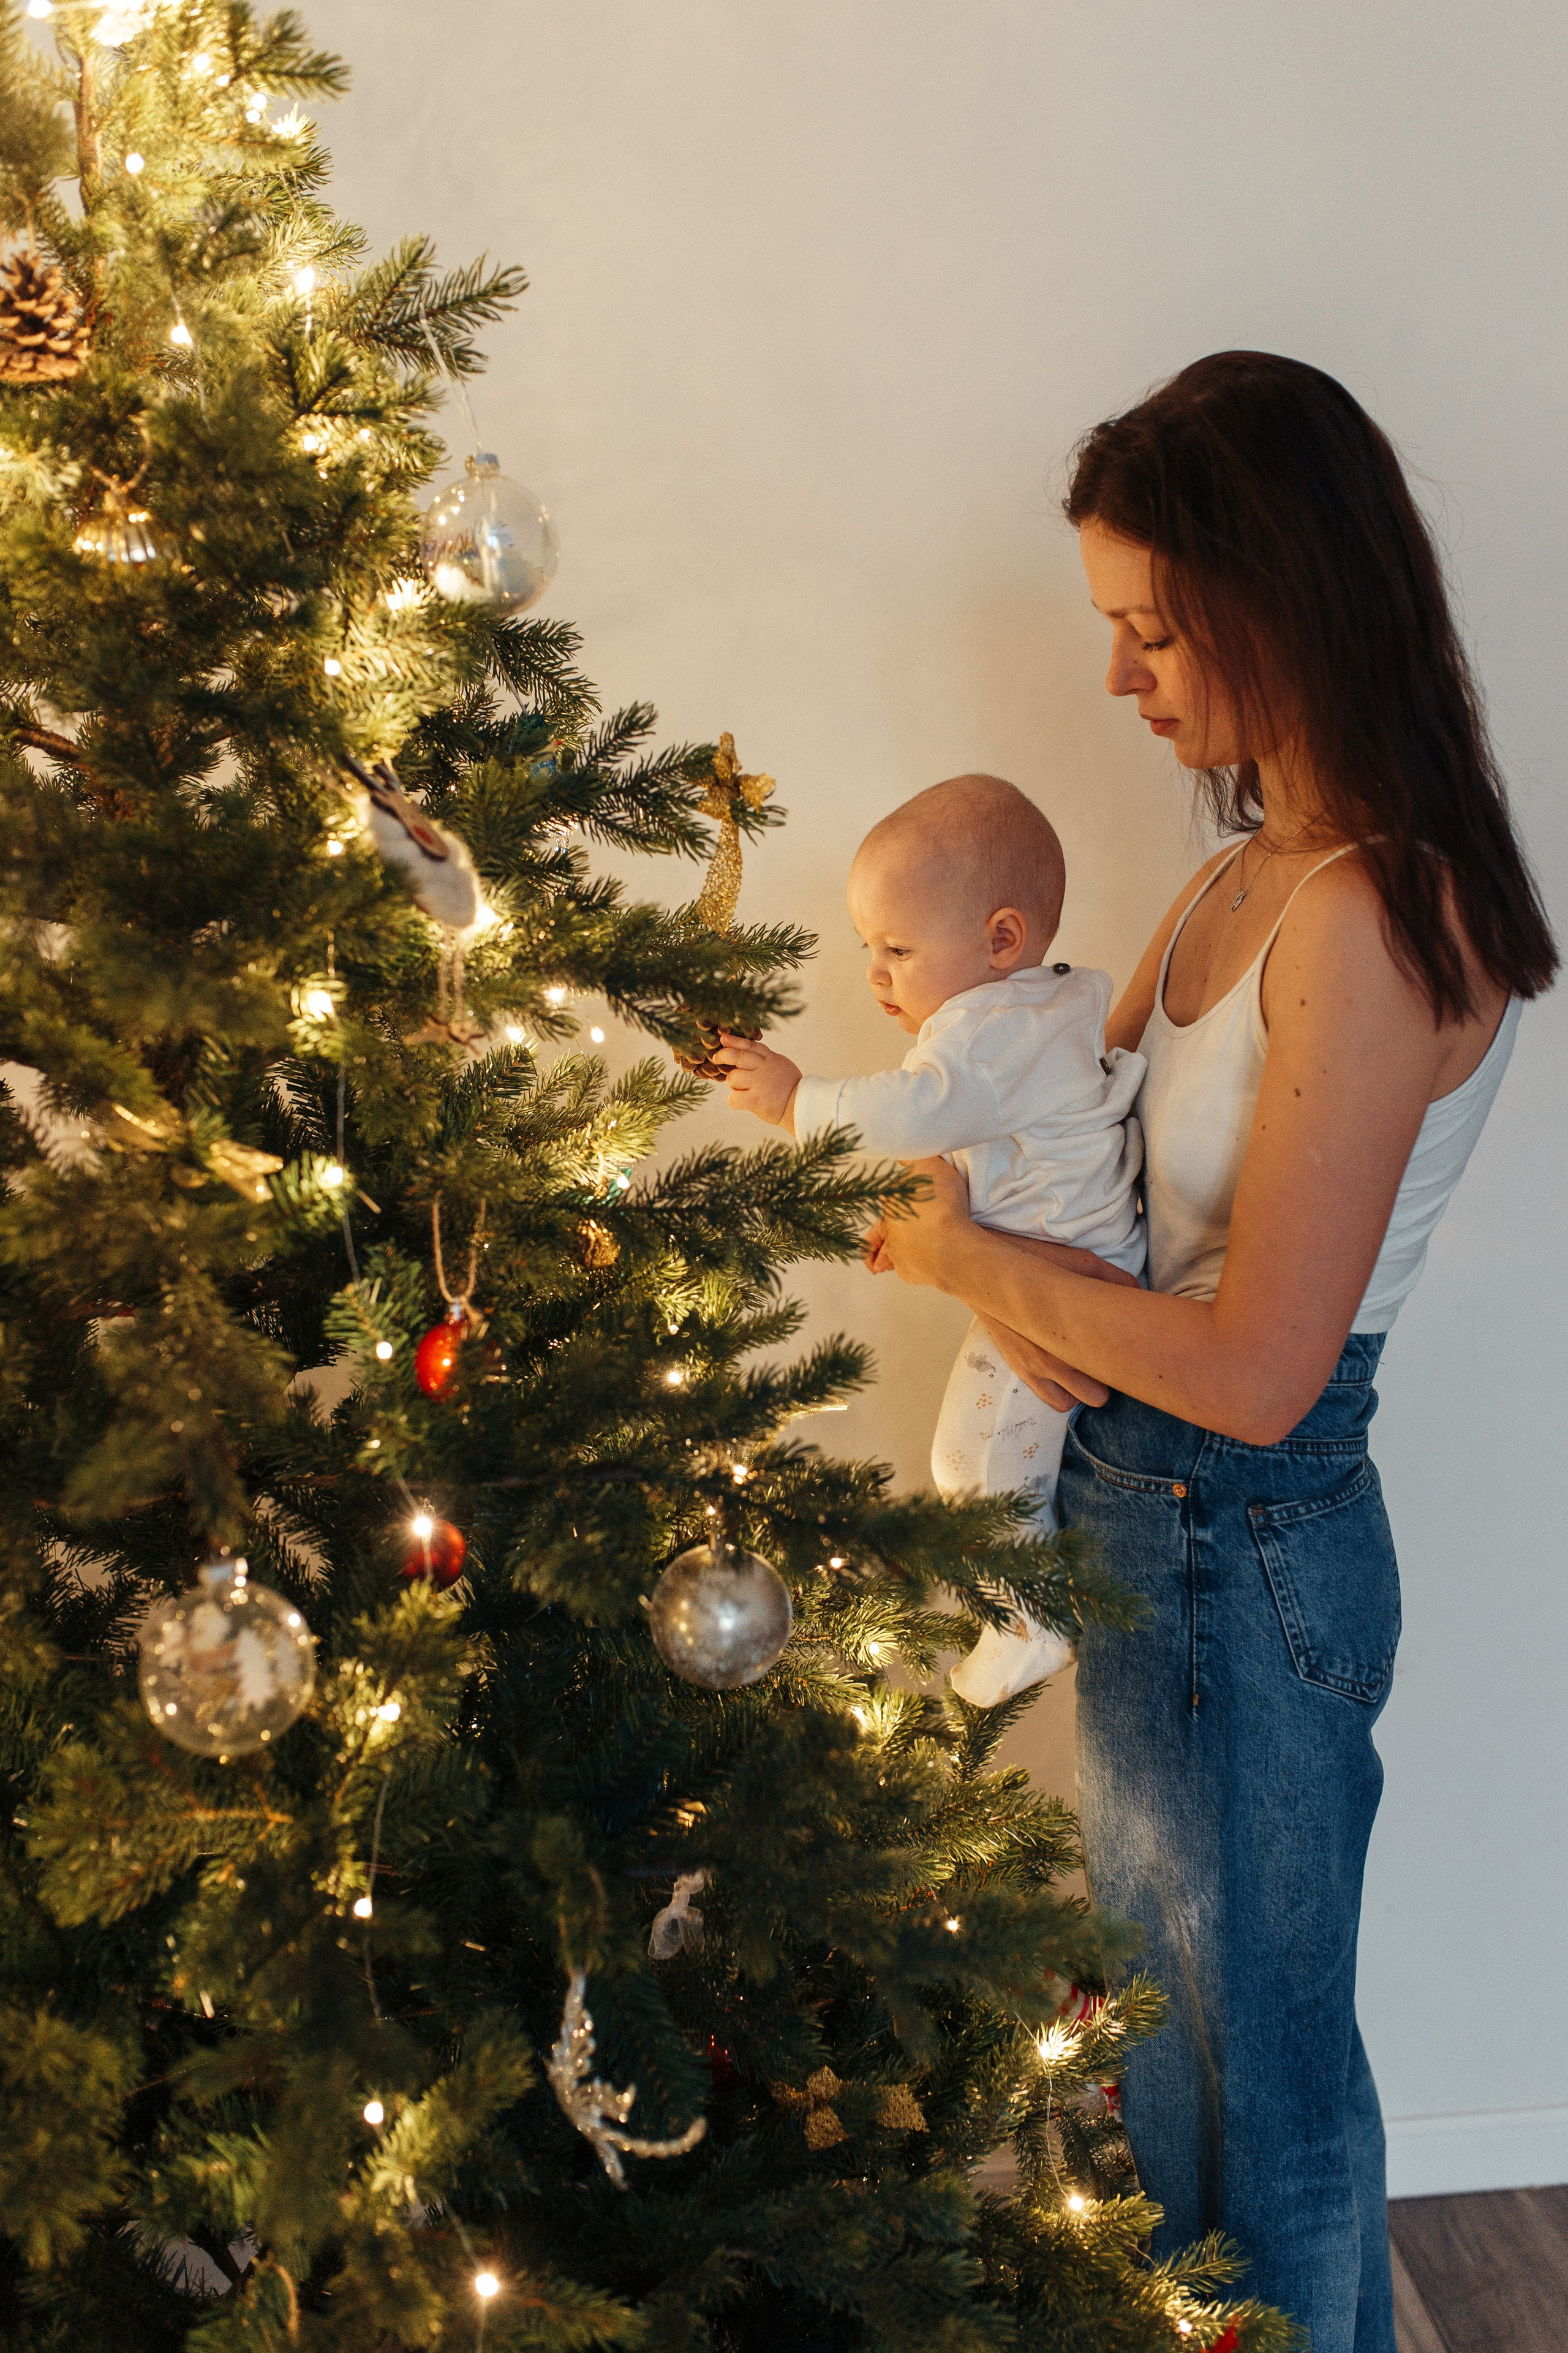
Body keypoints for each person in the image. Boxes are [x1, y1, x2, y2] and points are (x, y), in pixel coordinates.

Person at [862, 350, 1557, 2353]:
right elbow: (1061, 1200)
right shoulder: (1238, 883)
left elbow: (1251, 1364)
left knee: (1265, 2110)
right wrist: (956, 1228)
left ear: (1282, 602)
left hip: (1247, 1539)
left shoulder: (1370, 916)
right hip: (1148, 1522)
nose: (1121, 678)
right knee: (1172, 2075)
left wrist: (966, 1260)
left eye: (1152, 628)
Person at [714, 772, 1145, 1704]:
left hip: (1068, 1285)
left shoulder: (991, 1038)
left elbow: (917, 1111)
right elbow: (969, 1146)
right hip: (1054, 1265)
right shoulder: (1016, 1020)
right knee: (989, 1457)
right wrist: (917, 1230)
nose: (876, 975)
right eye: (872, 947)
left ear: (1001, 939)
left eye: (898, 949)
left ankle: (1027, 1618)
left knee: (972, 1461)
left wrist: (797, 1100)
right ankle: (1027, 1605)